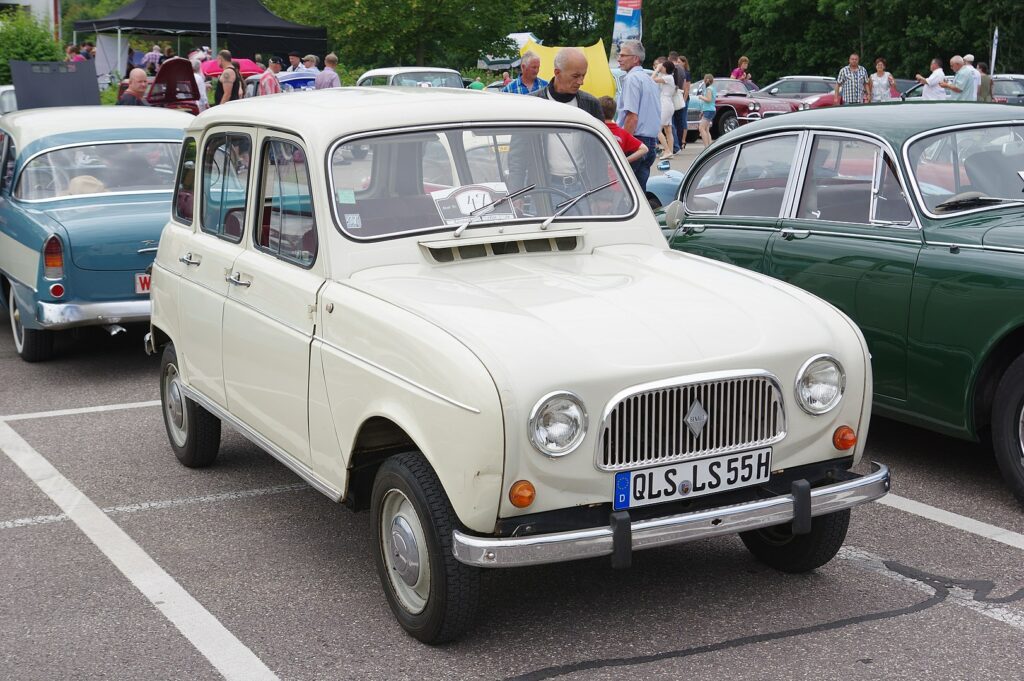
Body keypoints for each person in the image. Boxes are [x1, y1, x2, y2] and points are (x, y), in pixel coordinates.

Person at [615, 40, 661, 190]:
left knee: (624, 193)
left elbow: (632, 117)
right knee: (639, 192)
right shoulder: (649, 80)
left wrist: (624, 145)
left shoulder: (631, 79)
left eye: (623, 55)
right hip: (650, 143)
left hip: (635, 142)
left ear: (635, 58)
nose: (618, 58)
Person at [599, 96, 649, 164]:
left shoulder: (596, 130)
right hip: (616, 172)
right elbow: (644, 149)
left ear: (598, 111)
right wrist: (624, 161)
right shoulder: (622, 133)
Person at [651, 57, 677, 160]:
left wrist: (657, 69)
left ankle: (666, 150)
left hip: (665, 104)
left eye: (663, 66)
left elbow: (652, 79)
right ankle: (669, 151)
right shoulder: (668, 77)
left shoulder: (668, 77)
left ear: (666, 68)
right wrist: (657, 69)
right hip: (668, 104)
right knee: (668, 130)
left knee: (657, 129)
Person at [669, 52, 690, 153]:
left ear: (670, 58)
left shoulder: (673, 69)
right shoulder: (683, 70)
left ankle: (676, 145)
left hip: (673, 97)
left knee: (671, 123)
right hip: (680, 97)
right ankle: (680, 144)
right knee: (680, 122)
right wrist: (684, 100)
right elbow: (685, 86)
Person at [697, 74, 716, 147]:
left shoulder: (709, 89)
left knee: (701, 128)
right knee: (706, 129)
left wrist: (701, 97)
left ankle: (706, 147)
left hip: (709, 110)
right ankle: (709, 146)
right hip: (709, 110)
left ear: (706, 80)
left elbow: (709, 99)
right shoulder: (712, 88)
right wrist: (702, 111)